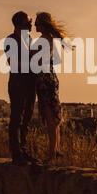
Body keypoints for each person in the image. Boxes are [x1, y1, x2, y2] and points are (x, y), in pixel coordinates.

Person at [33, 12, 70, 162]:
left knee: (49, 117)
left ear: (43, 24)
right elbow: (56, 61)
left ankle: (51, 155)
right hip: (51, 77)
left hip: (44, 79)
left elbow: (35, 59)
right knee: (54, 118)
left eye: (37, 22)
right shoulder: (51, 39)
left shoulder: (43, 40)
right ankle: (56, 150)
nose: (35, 25)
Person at [4, 11, 39, 166]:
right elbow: (13, 63)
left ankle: (23, 150)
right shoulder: (10, 40)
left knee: (27, 119)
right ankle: (16, 153)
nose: (31, 24)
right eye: (28, 22)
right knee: (17, 118)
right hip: (18, 83)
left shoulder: (28, 39)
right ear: (20, 24)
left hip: (30, 83)